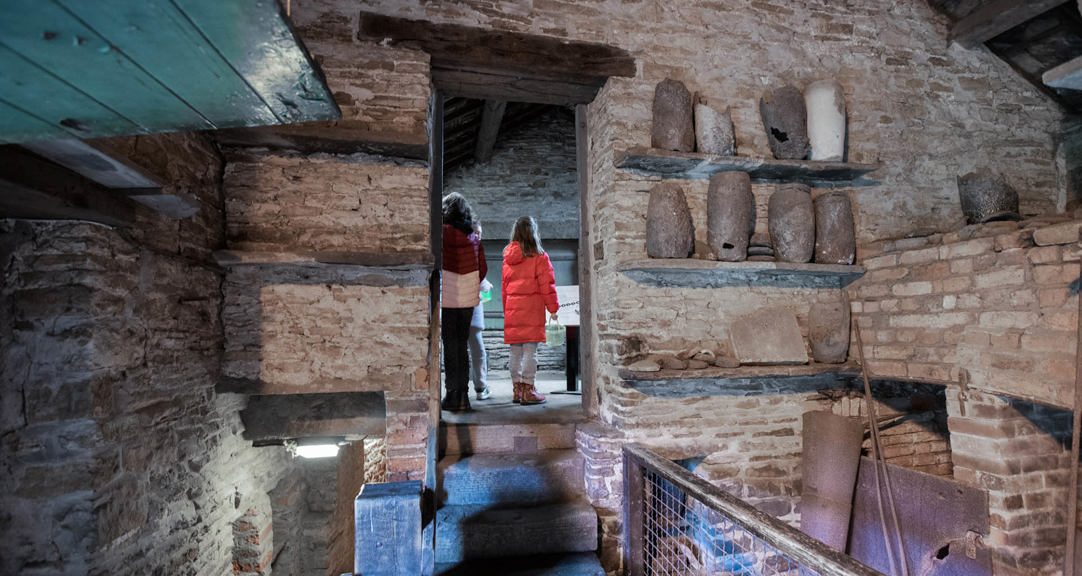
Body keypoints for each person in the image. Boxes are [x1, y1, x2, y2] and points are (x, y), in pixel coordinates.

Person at [501, 216, 559, 405]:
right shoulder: (540, 257)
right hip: (532, 311)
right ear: (533, 233)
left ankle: (516, 390)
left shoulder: (507, 259)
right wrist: (553, 309)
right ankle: (528, 389)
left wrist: (507, 311)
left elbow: (504, 289)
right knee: (529, 352)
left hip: (512, 311)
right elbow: (547, 286)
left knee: (514, 353)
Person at [441, 193, 487, 412]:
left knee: (450, 345)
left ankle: (452, 395)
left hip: (449, 294)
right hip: (468, 297)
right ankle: (464, 397)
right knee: (462, 344)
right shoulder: (474, 239)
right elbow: (483, 270)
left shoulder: (440, 234)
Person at [469, 223, 493, 401]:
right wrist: (485, 285)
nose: (478, 236)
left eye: (480, 233)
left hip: (471, 305)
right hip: (471, 305)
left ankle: (479, 386)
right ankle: (480, 386)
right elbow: (478, 277)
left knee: (476, 348)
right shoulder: (473, 251)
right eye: (475, 232)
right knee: (477, 349)